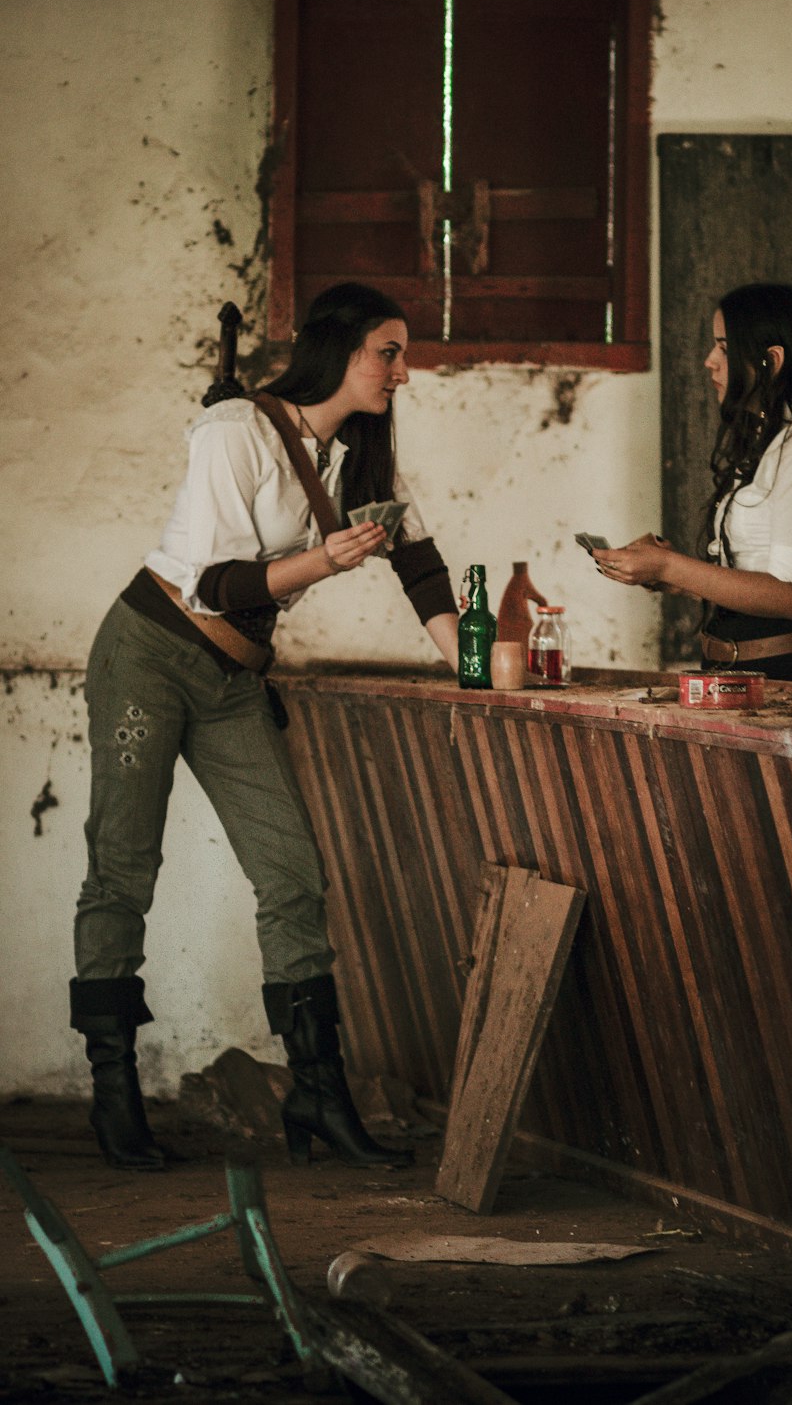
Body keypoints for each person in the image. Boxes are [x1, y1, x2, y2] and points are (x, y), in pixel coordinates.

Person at [70, 283, 459, 1170]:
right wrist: (320, 561)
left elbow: (423, 563)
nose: (402, 370)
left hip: (236, 675)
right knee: (123, 866)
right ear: (338, 351)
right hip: (151, 655)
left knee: (293, 873)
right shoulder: (234, 431)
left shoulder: (359, 453)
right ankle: (114, 1097)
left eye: (402, 353)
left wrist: (468, 664)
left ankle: (319, 1094)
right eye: (386, 352)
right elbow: (213, 585)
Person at [594, 282, 792, 686]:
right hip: (746, 675)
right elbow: (756, 579)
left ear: (772, 360)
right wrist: (670, 576)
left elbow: (788, 596)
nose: (709, 362)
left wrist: (668, 564)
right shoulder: (775, 437)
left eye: (725, 349)